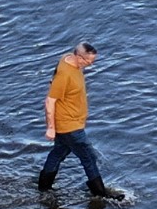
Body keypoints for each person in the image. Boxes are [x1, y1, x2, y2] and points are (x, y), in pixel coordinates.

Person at [38, 42, 125, 199]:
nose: (90, 65)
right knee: (89, 157)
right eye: (88, 61)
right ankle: (100, 194)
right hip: (69, 126)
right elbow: (49, 101)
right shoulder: (65, 75)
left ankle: (43, 187)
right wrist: (50, 128)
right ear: (78, 57)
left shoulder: (67, 59)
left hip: (71, 123)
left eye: (92, 61)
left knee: (59, 152)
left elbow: (55, 75)